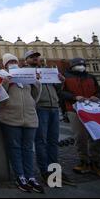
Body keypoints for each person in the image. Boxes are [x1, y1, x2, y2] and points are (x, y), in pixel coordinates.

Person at [23, 50, 73, 186]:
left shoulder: (47, 71)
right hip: (40, 107)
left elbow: (58, 89)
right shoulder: (25, 73)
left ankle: (55, 171)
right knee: (41, 141)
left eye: (37, 57)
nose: (35, 59)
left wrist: (61, 81)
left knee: (53, 141)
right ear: (26, 60)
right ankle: (45, 171)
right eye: (32, 57)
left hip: (54, 107)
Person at [0, 53, 44, 193]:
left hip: (29, 116)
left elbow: (35, 95)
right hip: (11, 117)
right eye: (9, 61)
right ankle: (20, 176)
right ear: (5, 64)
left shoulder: (26, 75)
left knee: (28, 148)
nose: (13, 63)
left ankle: (30, 176)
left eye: (14, 60)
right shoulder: (2, 75)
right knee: (15, 148)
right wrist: (6, 82)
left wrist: (36, 82)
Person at [60, 57, 100, 178]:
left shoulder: (91, 77)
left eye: (82, 64)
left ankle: (95, 162)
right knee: (80, 136)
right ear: (71, 66)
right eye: (78, 65)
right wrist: (74, 97)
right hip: (74, 109)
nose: (81, 66)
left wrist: (97, 96)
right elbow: (61, 93)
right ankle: (83, 161)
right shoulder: (64, 77)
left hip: (93, 110)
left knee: (96, 136)